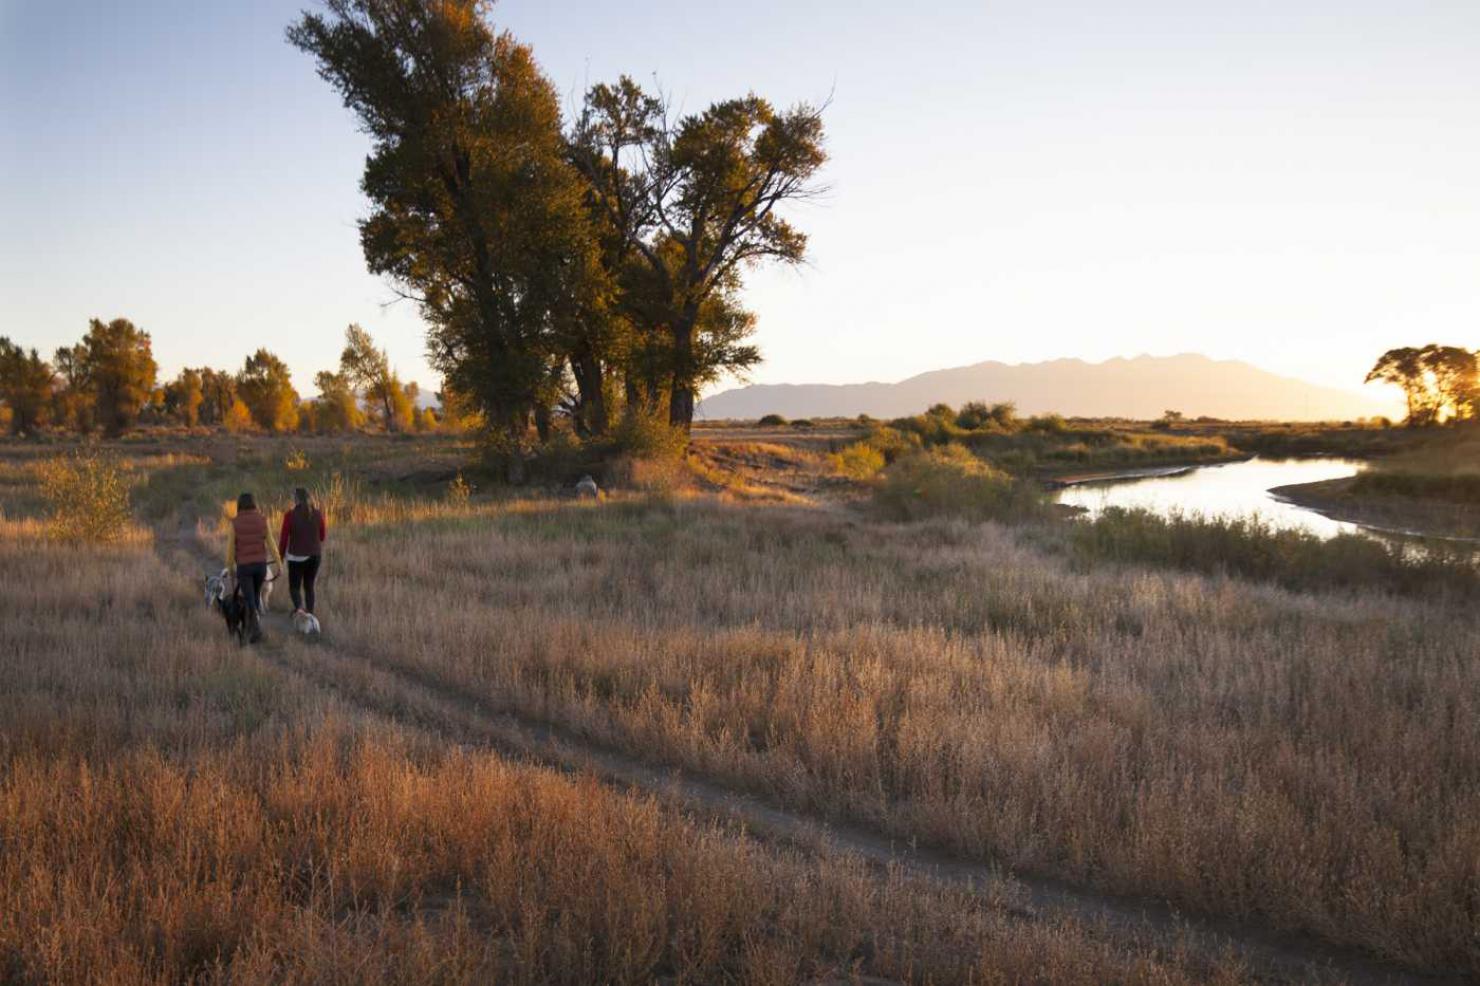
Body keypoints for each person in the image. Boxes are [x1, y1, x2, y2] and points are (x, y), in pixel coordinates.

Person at [226, 491, 283, 644]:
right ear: (254, 504)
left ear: (239, 505)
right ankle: (253, 627)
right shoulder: (263, 520)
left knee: (250, 599)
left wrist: (230, 566)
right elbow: (271, 543)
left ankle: (255, 631)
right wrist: (279, 563)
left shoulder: (235, 523)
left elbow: (231, 548)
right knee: (255, 596)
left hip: (244, 567)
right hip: (260, 566)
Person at [278, 486, 326, 619]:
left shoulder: (290, 515)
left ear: (296, 499)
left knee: (294, 588)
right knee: (309, 586)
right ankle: (310, 615)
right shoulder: (317, 513)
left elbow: (284, 539)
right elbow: (322, 536)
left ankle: (299, 609)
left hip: (296, 557)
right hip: (315, 556)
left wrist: (280, 557)